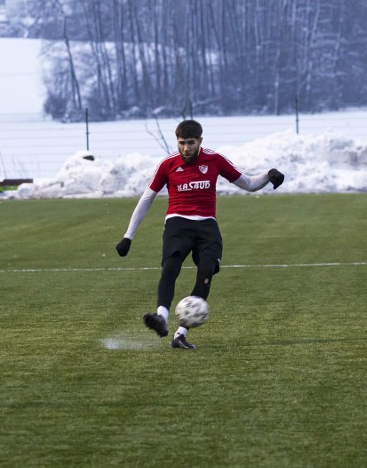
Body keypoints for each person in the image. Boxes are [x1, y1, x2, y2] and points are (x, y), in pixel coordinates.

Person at [115, 119, 285, 349]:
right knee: (170, 267)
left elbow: (247, 183)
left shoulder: (214, 160)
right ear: (177, 141)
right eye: (182, 143)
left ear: (200, 141)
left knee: (207, 271)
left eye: (191, 143)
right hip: (177, 223)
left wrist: (268, 174)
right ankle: (161, 318)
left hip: (207, 226)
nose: (186, 148)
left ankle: (180, 334)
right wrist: (128, 236)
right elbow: (146, 199)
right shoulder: (167, 165)